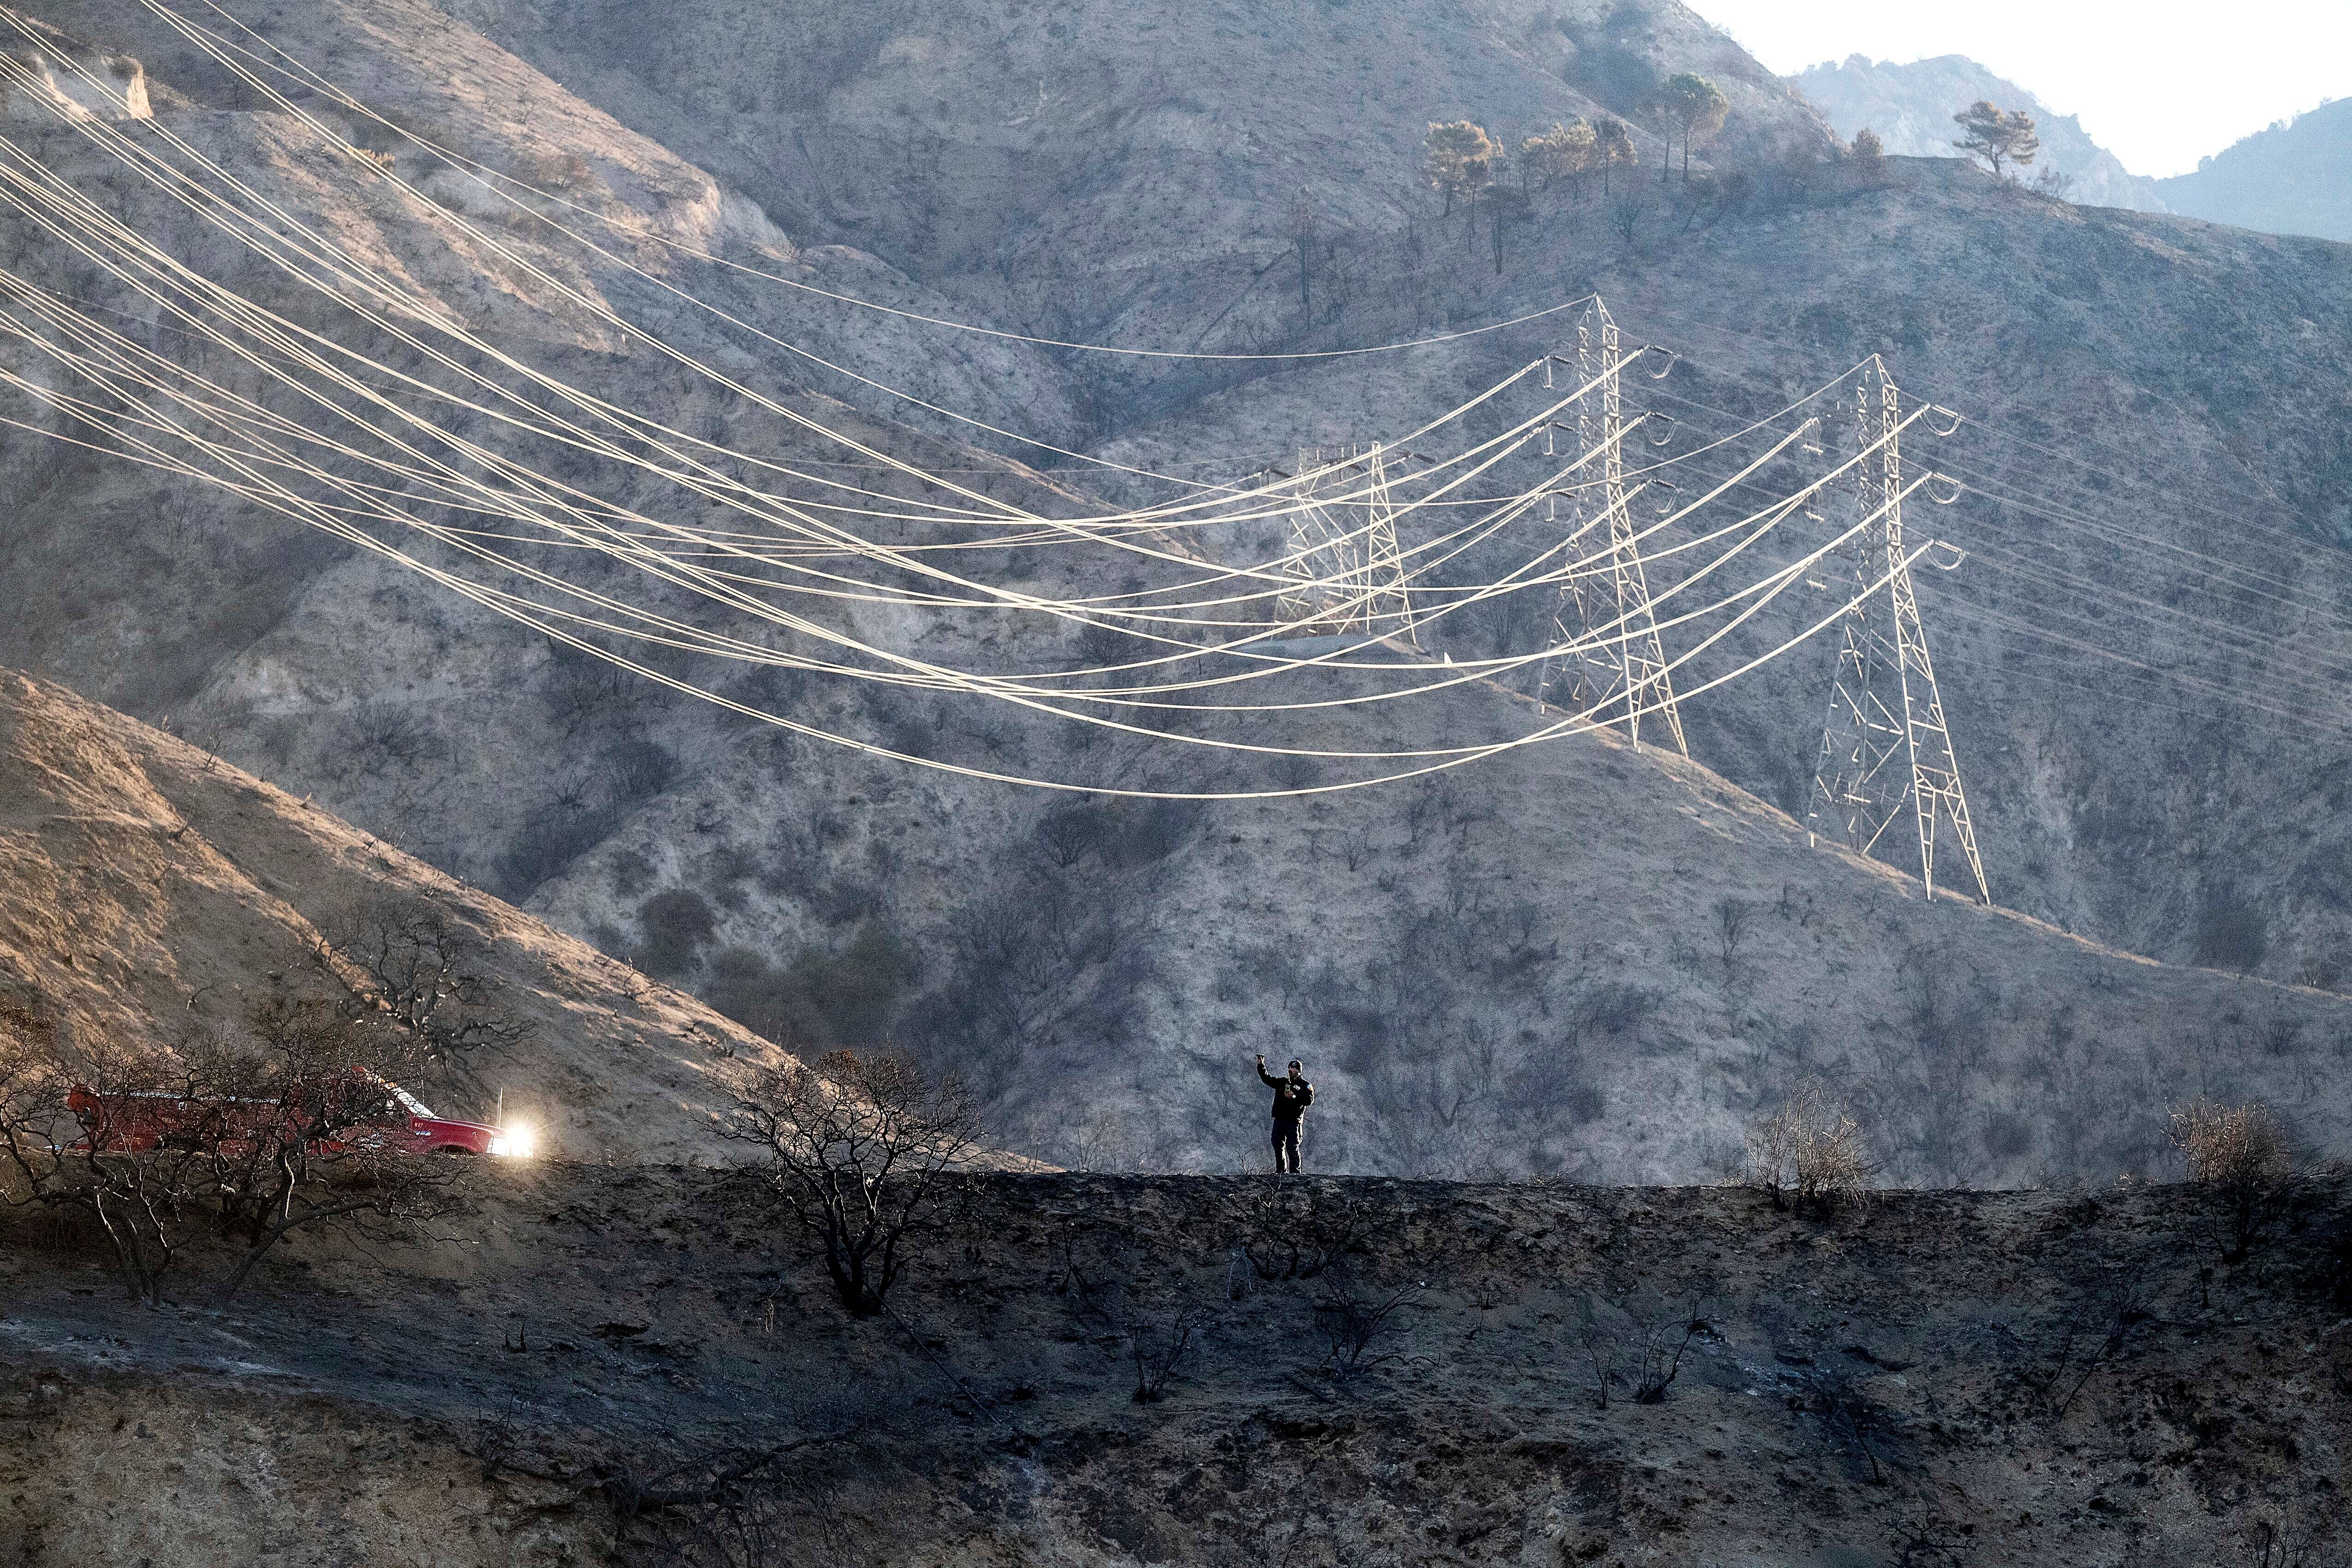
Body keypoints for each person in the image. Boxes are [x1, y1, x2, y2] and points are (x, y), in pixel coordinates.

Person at [1255, 1053, 1314, 1174]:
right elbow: (1267, 1079)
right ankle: (1281, 1171)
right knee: (1277, 1144)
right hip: (1279, 1120)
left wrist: (1294, 1096)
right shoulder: (1282, 1083)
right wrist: (1261, 1065)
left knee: (1292, 1147)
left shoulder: (1305, 1085)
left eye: (1294, 1068)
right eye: (1290, 1068)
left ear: (1299, 1071)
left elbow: (1309, 1100)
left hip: (1294, 1122)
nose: (1291, 1070)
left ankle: (1295, 1174)